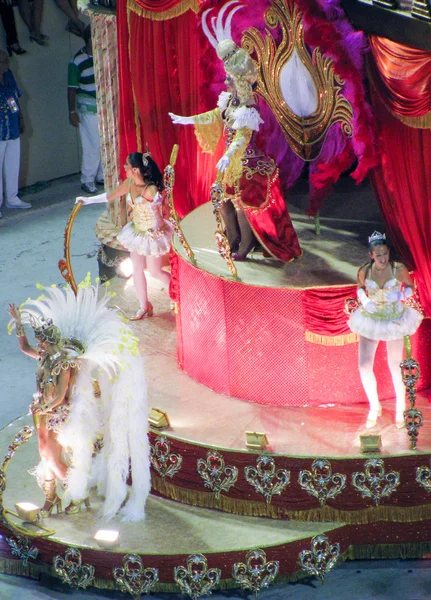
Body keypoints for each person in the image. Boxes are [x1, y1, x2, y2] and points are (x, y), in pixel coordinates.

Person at [169, 2, 301, 262]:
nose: (226, 81)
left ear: (239, 80)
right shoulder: (230, 100)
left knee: (241, 205)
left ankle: (246, 243)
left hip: (244, 162)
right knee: (223, 201)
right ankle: (233, 237)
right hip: (228, 160)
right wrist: (187, 119)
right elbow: (215, 115)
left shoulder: (249, 105)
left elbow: (243, 136)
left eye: (229, 77)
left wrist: (230, 154)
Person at [8, 283, 150, 521]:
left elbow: (61, 395)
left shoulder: (63, 363)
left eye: (42, 341)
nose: (39, 345)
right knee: (43, 453)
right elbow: (24, 348)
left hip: (58, 414)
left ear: (51, 342)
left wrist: (46, 406)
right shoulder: (44, 356)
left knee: (51, 455)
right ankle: (51, 498)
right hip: (41, 411)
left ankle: (77, 494)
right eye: (39, 341)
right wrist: (18, 323)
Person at [76, 151, 172, 320]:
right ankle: (144, 306)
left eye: (127, 165)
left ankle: (179, 295)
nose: (124, 167)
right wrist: (87, 200)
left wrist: (158, 224)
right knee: (136, 269)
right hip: (137, 233)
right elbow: (109, 196)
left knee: (155, 272)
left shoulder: (151, 190)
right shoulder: (128, 184)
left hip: (153, 236)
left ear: (135, 169)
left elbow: (162, 210)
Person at [348, 232, 423, 429]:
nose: (383, 258)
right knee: (364, 365)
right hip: (371, 318)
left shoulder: (398, 268)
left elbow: (410, 287)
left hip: (393, 319)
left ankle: (400, 407)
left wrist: (400, 295)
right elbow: (359, 288)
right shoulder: (364, 270)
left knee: (394, 365)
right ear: (371, 255)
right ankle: (374, 407)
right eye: (379, 255)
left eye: (385, 254)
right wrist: (364, 300)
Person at [68, 24, 103, 195]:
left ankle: (102, 175)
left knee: (106, 142)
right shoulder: (76, 60)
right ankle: (87, 179)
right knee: (92, 144)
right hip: (87, 106)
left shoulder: (102, 53)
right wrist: (72, 111)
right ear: (90, 39)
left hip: (104, 104)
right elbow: (71, 88)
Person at [0, 50, 31, 218]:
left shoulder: (9, 75)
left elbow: (13, 98)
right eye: (3, 62)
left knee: (12, 164)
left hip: (11, 127)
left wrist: (19, 116)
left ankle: (12, 198)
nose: (7, 64)